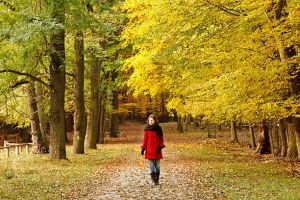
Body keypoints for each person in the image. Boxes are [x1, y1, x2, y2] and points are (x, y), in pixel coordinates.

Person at [141, 114, 165, 185]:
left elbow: (161, 139)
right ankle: (154, 180)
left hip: (157, 149)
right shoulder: (146, 129)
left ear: (155, 120)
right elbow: (145, 140)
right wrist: (143, 148)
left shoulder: (159, 128)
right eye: (149, 120)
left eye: (152, 120)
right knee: (151, 165)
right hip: (149, 150)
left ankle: (157, 179)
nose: (150, 121)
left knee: (157, 165)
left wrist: (160, 147)